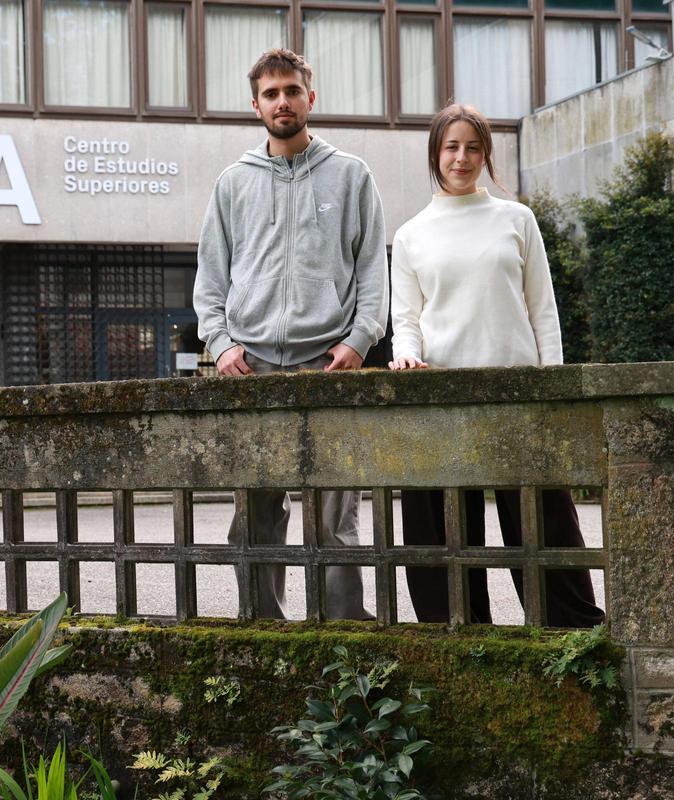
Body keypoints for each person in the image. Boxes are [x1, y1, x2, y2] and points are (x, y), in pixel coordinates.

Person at [388, 103, 605, 628]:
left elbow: (542, 310)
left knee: (540, 519)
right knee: (443, 525)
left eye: (473, 147)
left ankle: (569, 629)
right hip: (443, 395)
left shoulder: (517, 219)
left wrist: (554, 384)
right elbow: (407, 317)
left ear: (486, 153)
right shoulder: (412, 233)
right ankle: (456, 631)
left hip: (520, 392)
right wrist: (406, 353)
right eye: (451, 147)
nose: (461, 158)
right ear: (435, 154)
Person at [193, 48, 389, 620]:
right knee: (254, 516)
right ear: (255, 105)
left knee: (336, 520)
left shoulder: (351, 175)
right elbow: (210, 281)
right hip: (251, 370)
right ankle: (265, 633)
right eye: (271, 94)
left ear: (311, 97)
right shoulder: (233, 183)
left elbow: (373, 270)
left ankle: (346, 644)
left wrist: (360, 338)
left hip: (329, 367)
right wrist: (223, 345)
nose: (283, 101)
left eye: (292, 91)